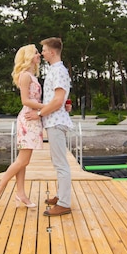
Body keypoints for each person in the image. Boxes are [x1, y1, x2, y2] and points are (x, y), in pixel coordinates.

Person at [0, 44, 44, 208]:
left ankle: (21, 194)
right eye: (36, 53)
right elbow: (25, 100)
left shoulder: (33, 76)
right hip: (28, 119)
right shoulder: (25, 76)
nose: (39, 55)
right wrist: (46, 106)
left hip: (33, 119)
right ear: (28, 57)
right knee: (23, 160)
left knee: (23, 161)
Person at [26, 37, 74, 216]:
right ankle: (61, 196)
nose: (42, 53)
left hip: (56, 122)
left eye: (44, 50)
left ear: (52, 52)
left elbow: (58, 100)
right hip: (54, 121)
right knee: (58, 161)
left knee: (61, 164)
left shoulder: (58, 71)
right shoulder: (56, 70)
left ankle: (64, 203)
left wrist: (38, 114)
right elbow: (62, 99)